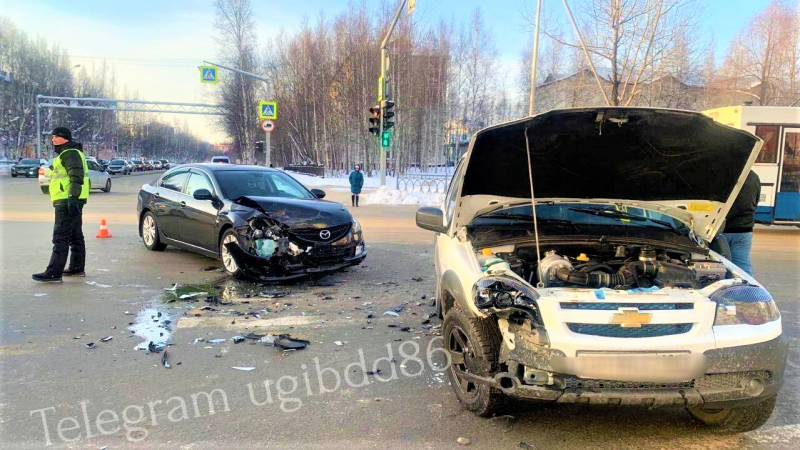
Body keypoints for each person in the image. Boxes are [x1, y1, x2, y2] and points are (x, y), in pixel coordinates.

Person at [32, 127, 89, 283]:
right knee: (75, 235)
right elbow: (62, 174)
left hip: (66, 199)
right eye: (52, 137)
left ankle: (53, 273)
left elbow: (76, 176)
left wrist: (72, 196)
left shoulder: (69, 153)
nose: (53, 139)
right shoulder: (69, 153)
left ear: (65, 138)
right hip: (72, 198)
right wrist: (47, 172)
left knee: (60, 236)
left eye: (56, 137)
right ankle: (77, 268)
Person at [720, 170, 761, 276]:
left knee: (719, 265)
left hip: (722, 229)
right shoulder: (753, 176)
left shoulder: (724, 174)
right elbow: (756, 201)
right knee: (742, 266)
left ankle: (726, 290)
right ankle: (746, 290)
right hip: (744, 229)